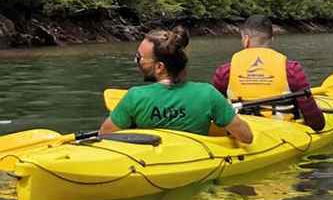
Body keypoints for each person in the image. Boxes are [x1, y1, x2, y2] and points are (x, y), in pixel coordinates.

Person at [100, 26, 252, 144]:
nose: (137, 61)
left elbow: (104, 135)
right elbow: (246, 137)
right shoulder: (208, 94)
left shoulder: (135, 97)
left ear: (160, 67)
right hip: (196, 163)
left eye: (139, 58)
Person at [212, 15, 325, 131]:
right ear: (271, 39)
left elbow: (216, 111)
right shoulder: (292, 70)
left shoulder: (224, 72)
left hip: (241, 133)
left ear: (246, 39)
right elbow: (316, 124)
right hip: (281, 134)